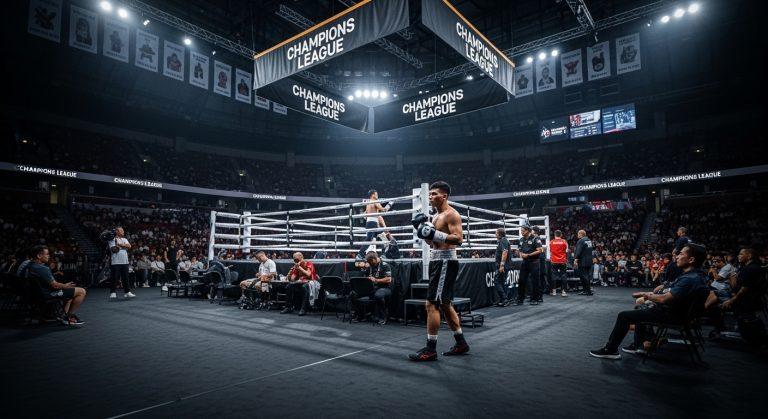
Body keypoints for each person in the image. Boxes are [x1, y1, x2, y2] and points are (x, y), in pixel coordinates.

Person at [589, 243, 708, 359]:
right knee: (642, 308)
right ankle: (639, 345)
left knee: (624, 316)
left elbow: (664, 298)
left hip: (673, 316)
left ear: (691, 259)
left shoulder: (689, 279)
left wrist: (646, 295)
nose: (677, 256)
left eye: (681, 254)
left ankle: (610, 350)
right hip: (680, 314)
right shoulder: (695, 276)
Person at [409, 181, 470, 362]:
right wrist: (423, 232)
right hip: (438, 259)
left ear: (444, 196)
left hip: (445, 261)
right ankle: (461, 343)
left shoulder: (452, 214)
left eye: (434, 194)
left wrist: (433, 233)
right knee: (444, 304)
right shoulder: (435, 217)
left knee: (431, 305)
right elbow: (432, 242)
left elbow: (458, 239)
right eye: (430, 194)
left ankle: (430, 349)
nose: (431, 197)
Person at [23, 245, 87, 326]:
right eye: (47, 254)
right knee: (81, 291)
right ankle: (68, 317)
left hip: (35, 295)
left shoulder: (29, 265)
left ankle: (62, 315)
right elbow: (55, 286)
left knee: (69, 294)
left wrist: (64, 286)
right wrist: (65, 286)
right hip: (47, 294)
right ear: (39, 256)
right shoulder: (42, 268)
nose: (48, 256)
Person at [721, 246, 768, 351]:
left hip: (746, 301)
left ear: (749, 256)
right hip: (749, 301)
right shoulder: (753, 267)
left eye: (742, 254)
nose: (739, 256)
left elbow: (744, 288)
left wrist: (732, 300)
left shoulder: (750, 269)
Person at [351, 251, 392, 325]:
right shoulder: (370, 265)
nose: (370, 264)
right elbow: (365, 275)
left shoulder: (385, 265)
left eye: (371, 262)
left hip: (384, 288)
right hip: (371, 288)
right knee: (353, 293)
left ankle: (383, 317)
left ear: (374, 259)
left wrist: (376, 280)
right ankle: (360, 316)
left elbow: (389, 279)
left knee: (378, 295)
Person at [356, 190, 392, 260]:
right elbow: (384, 210)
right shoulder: (375, 201)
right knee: (369, 239)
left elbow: (364, 215)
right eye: (376, 194)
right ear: (373, 195)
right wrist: (390, 204)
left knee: (384, 238)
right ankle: (360, 254)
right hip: (372, 224)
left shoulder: (368, 203)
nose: (377, 195)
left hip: (371, 223)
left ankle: (383, 255)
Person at [516, 224, 543, 305]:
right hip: (525, 262)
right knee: (521, 280)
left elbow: (540, 250)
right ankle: (520, 299)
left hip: (534, 262)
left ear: (528, 231)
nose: (521, 232)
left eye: (523, 231)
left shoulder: (535, 238)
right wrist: (520, 253)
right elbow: (519, 249)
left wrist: (528, 255)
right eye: (521, 231)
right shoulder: (521, 239)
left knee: (535, 281)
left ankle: (535, 299)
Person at [109, 227, 135, 299]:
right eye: (121, 230)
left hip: (125, 261)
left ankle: (127, 292)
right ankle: (113, 292)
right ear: (117, 231)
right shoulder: (112, 240)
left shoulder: (125, 239)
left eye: (123, 230)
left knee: (125, 278)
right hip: (116, 262)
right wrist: (123, 246)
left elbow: (129, 246)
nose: (123, 231)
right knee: (114, 278)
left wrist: (120, 245)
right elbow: (114, 250)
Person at [493, 228, 511, 306]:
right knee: (501, 282)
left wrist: (502, 265)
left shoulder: (503, 240)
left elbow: (505, 252)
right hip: (503, 265)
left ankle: (504, 299)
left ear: (499, 234)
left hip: (503, 265)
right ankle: (503, 300)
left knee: (497, 281)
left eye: (496, 233)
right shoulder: (503, 240)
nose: (495, 235)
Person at [573, 229, 594, 295]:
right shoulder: (589, 240)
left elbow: (578, 251)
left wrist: (576, 259)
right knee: (587, 276)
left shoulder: (581, 241)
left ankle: (588, 291)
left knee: (584, 276)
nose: (577, 235)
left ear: (581, 234)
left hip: (583, 261)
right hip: (589, 261)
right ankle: (586, 290)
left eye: (578, 234)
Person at [549, 230, 569, 297]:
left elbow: (550, 251)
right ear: (561, 235)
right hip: (562, 261)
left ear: (555, 235)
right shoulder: (564, 241)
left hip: (554, 261)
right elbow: (566, 251)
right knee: (563, 275)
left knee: (553, 275)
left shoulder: (551, 242)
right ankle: (564, 292)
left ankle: (553, 291)